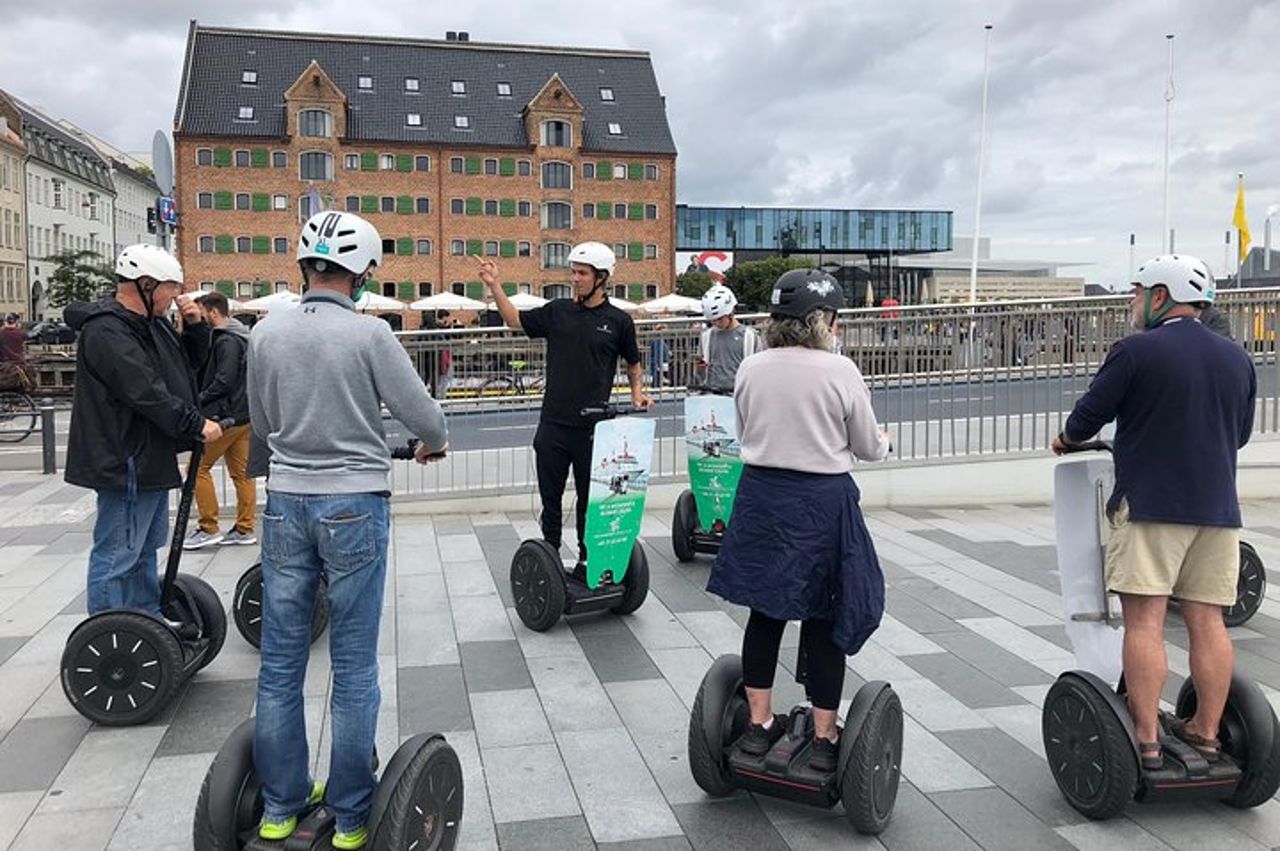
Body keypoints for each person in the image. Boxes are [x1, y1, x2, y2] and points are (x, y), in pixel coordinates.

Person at [248, 211, 449, 849]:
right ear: (361, 274)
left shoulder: (264, 333)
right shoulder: (371, 334)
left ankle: (280, 807)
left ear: (304, 266)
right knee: (354, 664)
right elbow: (426, 417)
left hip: (286, 501)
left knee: (281, 662)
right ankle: (353, 817)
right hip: (354, 503)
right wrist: (430, 443)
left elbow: (261, 422)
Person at [1053, 254, 1255, 770]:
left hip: (1151, 507)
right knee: (1208, 622)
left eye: (1137, 292)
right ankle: (1206, 734)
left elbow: (1086, 418)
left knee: (1144, 621)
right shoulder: (1237, 358)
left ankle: (1145, 739)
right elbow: (1238, 435)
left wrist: (1067, 439)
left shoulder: (1136, 351)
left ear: (1160, 296)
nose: (1132, 301)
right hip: (1218, 510)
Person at [706, 268, 890, 772]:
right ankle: (825, 736)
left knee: (766, 613)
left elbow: (745, 431)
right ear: (822, 320)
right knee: (825, 615)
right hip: (820, 503)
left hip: (762, 497)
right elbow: (868, 445)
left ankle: (758, 726)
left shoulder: (751, 368)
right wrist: (884, 443)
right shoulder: (839, 370)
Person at [63, 244, 222, 616]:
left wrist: (196, 328)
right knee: (119, 553)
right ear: (146, 284)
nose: (176, 296)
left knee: (145, 549)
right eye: (170, 287)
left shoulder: (153, 324)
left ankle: (145, 621)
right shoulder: (107, 330)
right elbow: (144, 390)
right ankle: (109, 633)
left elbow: (186, 369)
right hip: (126, 459)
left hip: (150, 455)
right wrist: (194, 423)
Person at [478, 242, 651, 573]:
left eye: (582, 273)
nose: (575, 278)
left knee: (590, 502)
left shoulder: (619, 321)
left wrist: (637, 394)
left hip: (594, 429)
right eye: (573, 272)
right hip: (554, 425)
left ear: (602, 278)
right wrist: (494, 285)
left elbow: (633, 362)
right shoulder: (557, 311)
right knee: (551, 501)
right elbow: (514, 320)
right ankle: (551, 558)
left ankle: (589, 559)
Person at [184, 291, 256, 549]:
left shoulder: (226, 341)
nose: (200, 318)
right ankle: (245, 528)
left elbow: (224, 380)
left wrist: (198, 399)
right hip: (244, 414)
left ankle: (208, 527)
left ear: (213, 312)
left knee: (197, 469)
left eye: (202, 312)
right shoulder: (242, 336)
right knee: (242, 474)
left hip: (225, 417)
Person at [697, 284, 759, 393]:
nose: (717, 323)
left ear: (730, 313)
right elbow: (699, 375)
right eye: (713, 320)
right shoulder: (706, 337)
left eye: (720, 319)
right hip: (712, 394)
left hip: (739, 394)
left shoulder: (749, 336)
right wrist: (700, 369)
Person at [0, 312, 32, 392]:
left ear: (5, 322)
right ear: (16, 322)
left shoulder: (1, 333)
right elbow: (27, 337)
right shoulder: (21, 333)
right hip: (19, 363)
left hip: (4, 364)